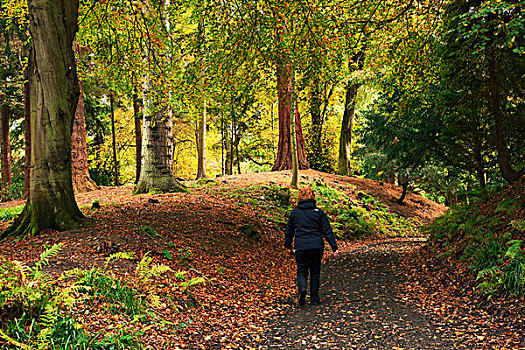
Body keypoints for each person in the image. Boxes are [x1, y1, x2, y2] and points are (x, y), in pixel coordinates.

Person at [284, 186, 338, 306]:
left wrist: (287, 245)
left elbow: (289, 230)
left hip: (301, 246)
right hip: (316, 246)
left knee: (302, 271)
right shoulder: (318, 213)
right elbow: (327, 230)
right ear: (313, 197)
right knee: (315, 272)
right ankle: (314, 299)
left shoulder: (295, 213)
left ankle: (302, 289)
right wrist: (334, 246)